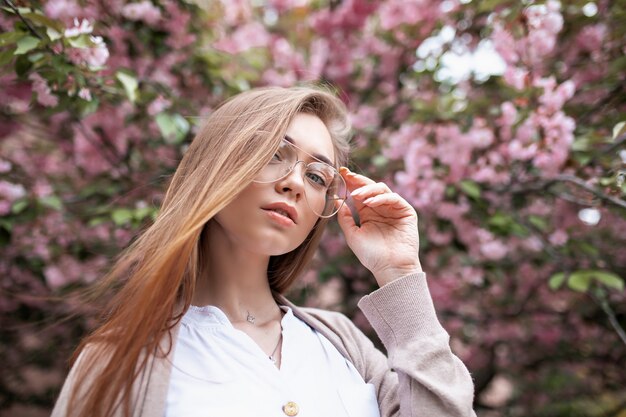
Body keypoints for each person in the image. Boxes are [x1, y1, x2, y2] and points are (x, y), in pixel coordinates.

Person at [51, 85, 476, 417]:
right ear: (218, 164)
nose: (294, 182)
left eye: (316, 176)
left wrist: (399, 272)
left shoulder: (343, 345)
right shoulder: (119, 357)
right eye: (275, 154)